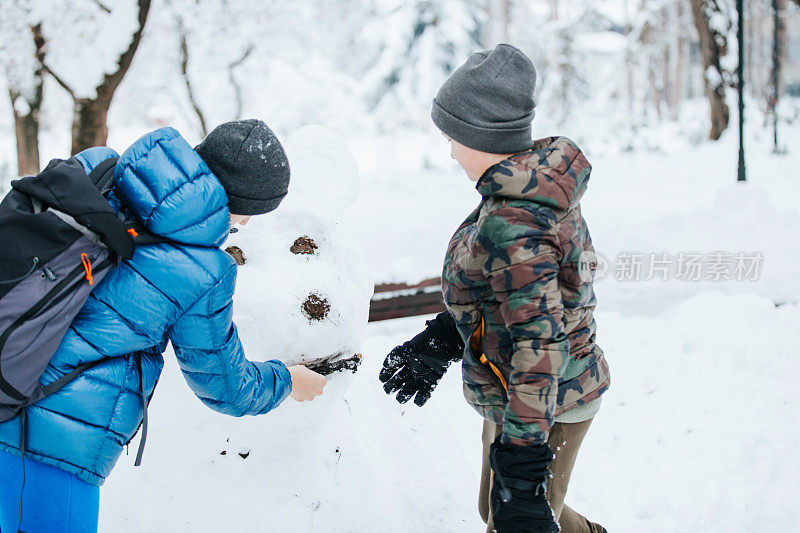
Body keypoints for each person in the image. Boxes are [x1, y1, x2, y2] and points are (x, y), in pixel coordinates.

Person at [0, 119, 327, 533]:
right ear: (239, 203)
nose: (245, 225)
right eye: (251, 213)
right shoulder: (203, 270)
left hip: (6, 386)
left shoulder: (99, 170)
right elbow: (226, 387)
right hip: (57, 440)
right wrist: (288, 382)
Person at [379, 45, 610, 533]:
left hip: (549, 399)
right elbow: (512, 296)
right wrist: (445, 336)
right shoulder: (524, 190)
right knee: (495, 509)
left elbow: (540, 343)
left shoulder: (516, 217)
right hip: (518, 391)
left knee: (516, 517)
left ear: (478, 134)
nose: (449, 150)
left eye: (451, 136)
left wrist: (524, 472)